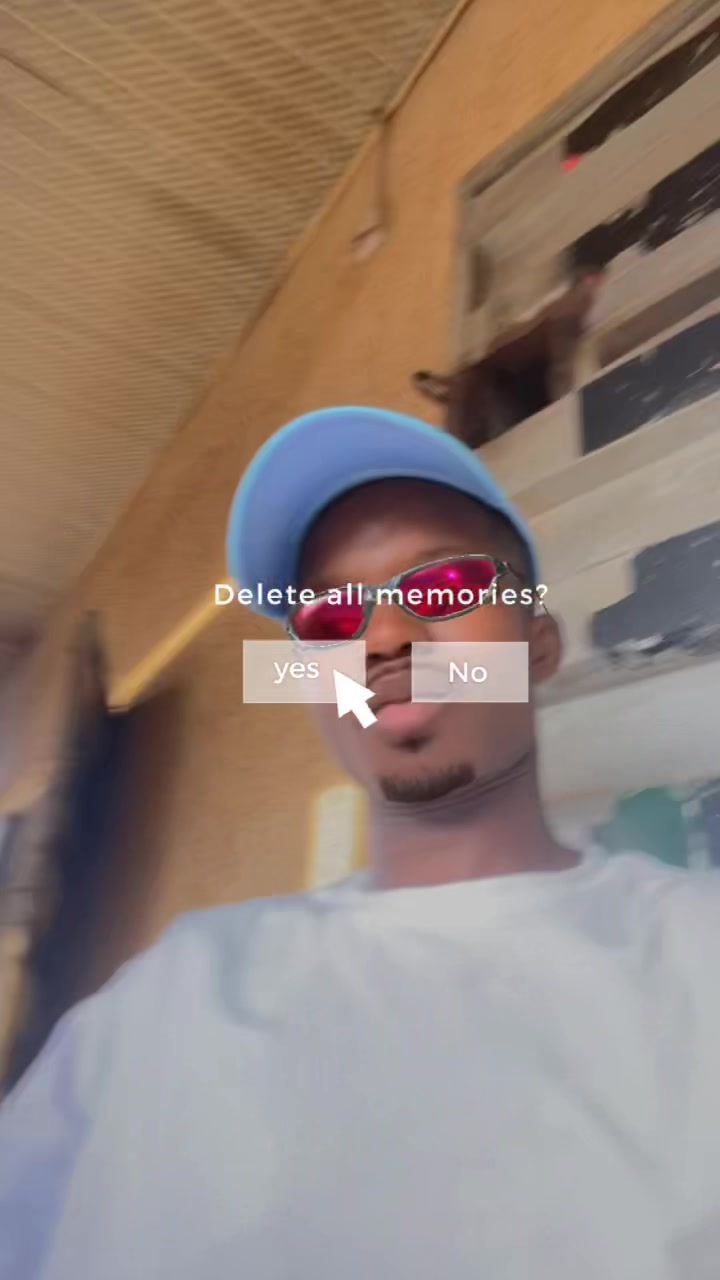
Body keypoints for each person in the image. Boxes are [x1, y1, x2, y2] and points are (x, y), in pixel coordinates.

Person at [1, 405, 719, 1280]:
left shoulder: (695, 958)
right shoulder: (168, 997)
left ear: (539, 645)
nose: (383, 638)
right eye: (329, 619)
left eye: (442, 589)